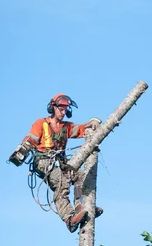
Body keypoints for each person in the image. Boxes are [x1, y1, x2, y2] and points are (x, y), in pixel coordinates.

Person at [21, 93, 102, 233]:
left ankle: (82, 205)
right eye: (61, 109)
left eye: (66, 109)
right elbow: (31, 138)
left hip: (60, 162)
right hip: (43, 161)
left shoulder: (66, 127)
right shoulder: (41, 123)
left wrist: (94, 121)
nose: (63, 112)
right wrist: (22, 150)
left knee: (81, 175)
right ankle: (69, 219)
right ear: (53, 108)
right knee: (61, 182)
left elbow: (82, 128)